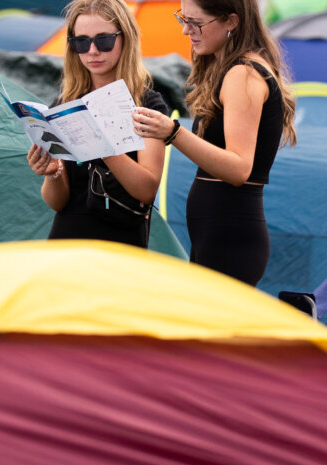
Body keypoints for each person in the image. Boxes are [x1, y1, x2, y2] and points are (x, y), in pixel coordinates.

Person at [132, 0, 296, 285]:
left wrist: (173, 133)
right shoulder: (231, 69)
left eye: (196, 23)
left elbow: (239, 168)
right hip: (219, 234)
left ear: (231, 21)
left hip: (230, 238)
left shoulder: (243, 74)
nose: (185, 30)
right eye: (183, 18)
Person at [27, 0, 169, 249]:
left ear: (125, 38)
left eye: (103, 41)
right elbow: (58, 203)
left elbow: (146, 190)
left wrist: (98, 144)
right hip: (66, 245)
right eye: (81, 42)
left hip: (120, 247)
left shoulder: (146, 105)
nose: (92, 51)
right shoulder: (64, 103)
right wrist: (53, 173)